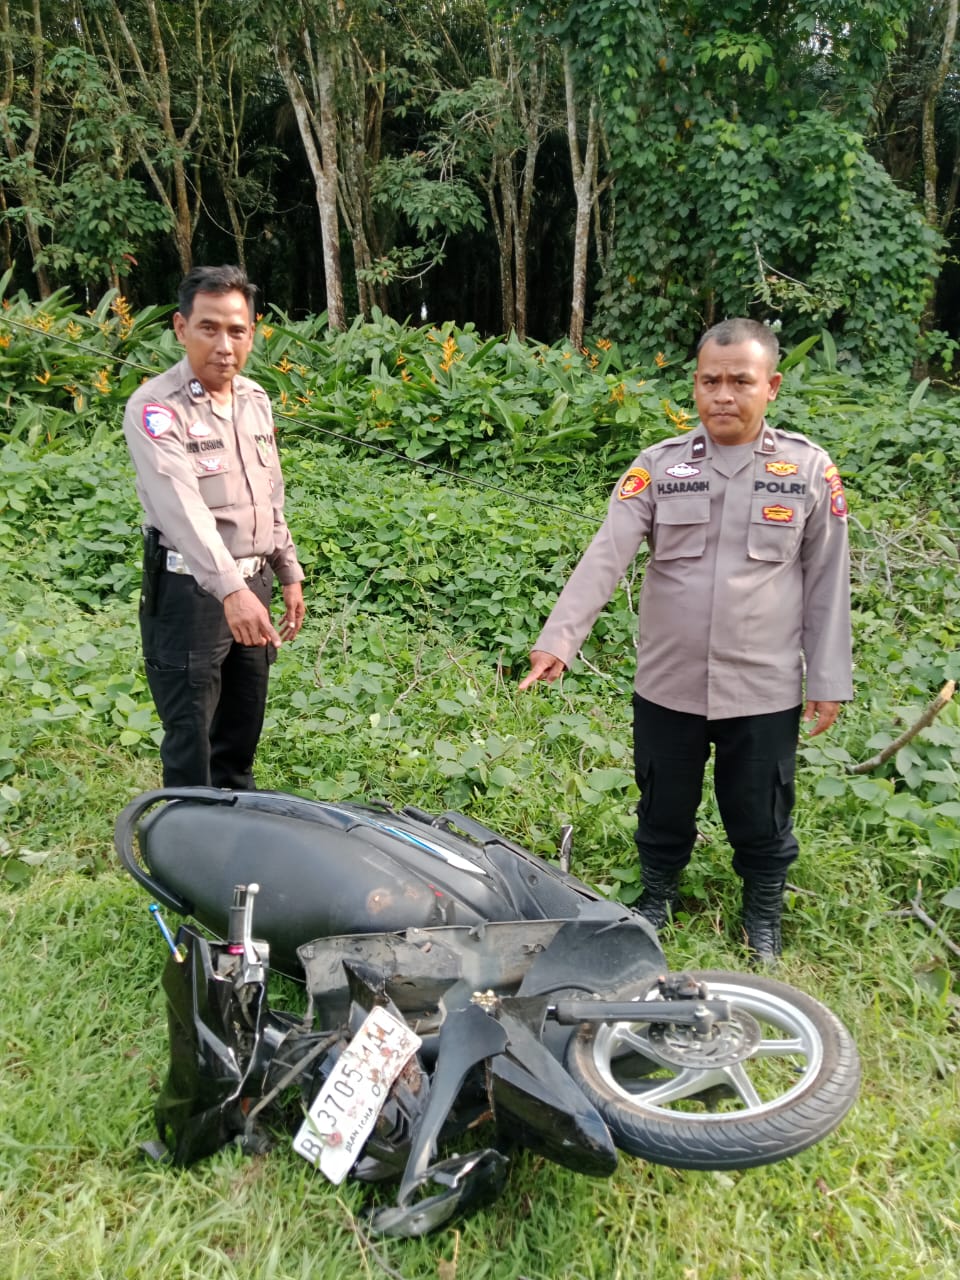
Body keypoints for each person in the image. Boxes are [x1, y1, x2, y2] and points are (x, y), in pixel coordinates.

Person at [519, 318, 852, 962]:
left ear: (772, 386)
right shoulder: (660, 466)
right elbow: (606, 555)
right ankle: (657, 895)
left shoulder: (808, 470)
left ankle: (762, 913)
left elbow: (827, 580)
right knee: (663, 800)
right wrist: (559, 640)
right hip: (669, 681)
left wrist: (829, 678)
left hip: (763, 685)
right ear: (695, 385)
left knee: (761, 807)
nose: (723, 395)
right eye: (710, 381)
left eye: (740, 381)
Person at [123, 265, 305, 788]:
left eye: (237, 330)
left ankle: (235, 821)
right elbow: (181, 509)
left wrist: (287, 570)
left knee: (240, 732)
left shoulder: (255, 399)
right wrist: (231, 591)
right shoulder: (157, 408)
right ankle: (186, 828)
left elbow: (269, 493)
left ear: (253, 333)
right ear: (181, 328)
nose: (224, 345)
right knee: (191, 738)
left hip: (254, 585)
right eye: (209, 328)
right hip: (191, 594)